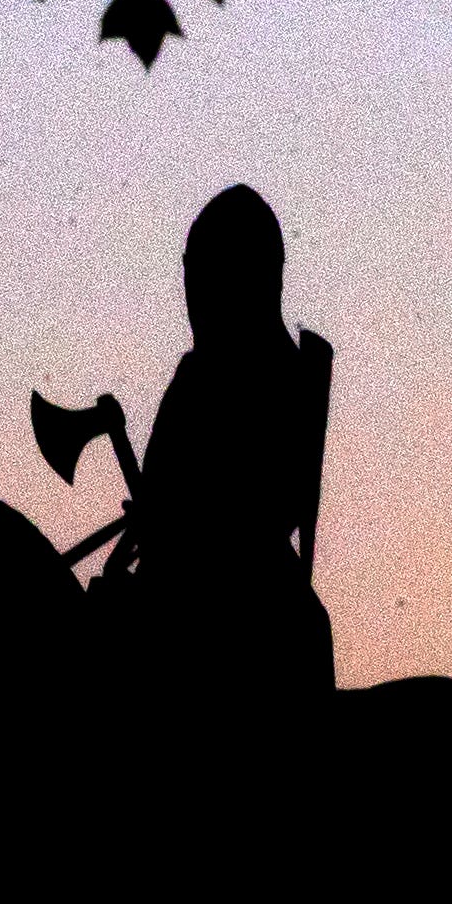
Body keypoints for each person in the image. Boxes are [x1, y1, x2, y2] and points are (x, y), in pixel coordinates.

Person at [97, 184, 338, 712]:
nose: (192, 292)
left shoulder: (241, 375)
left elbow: (272, 507)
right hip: (226, 599)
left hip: (223, 613)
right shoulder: (213, 371)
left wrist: (172, 521)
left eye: (203, 273)